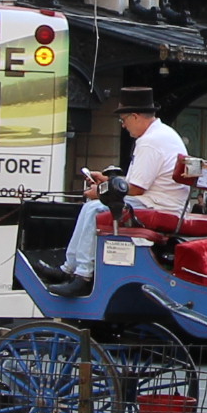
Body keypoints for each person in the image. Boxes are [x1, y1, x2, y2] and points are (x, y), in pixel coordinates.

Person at [55, 87, 187, 292]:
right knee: (94, 206)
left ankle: (81, 273)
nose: (123, 126)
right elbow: (135, 184)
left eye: (123, 120)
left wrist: (100, 191)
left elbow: (135, 189)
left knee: (94, 209)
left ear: (135, 116)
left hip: (158, 206)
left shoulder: (150, 142)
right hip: (161, 202)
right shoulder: (163, 134)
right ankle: (70, 267)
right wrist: (108, 181)